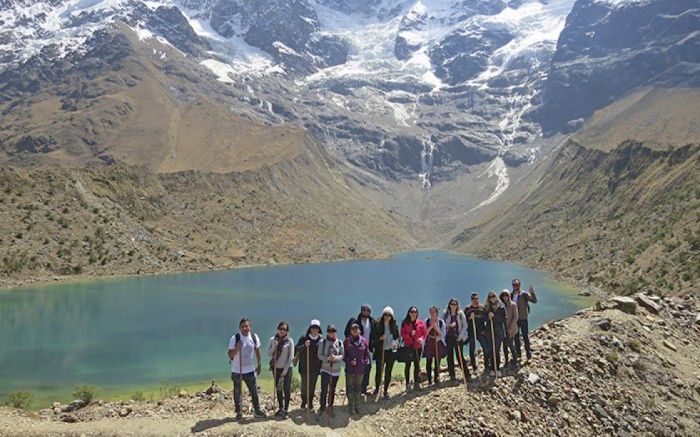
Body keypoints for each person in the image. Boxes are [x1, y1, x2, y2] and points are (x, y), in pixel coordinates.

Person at [228, 318, 265, 420]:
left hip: (250, 370)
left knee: (254, 391)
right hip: (237, 370)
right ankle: (239, 412)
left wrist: (259, 364)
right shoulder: (235, 338)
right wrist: (237, 348)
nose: (245, 328)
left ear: (250, 327)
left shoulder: (254, 337)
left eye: (247, 326)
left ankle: (257, 411)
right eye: (243, 326)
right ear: (240, 328)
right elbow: (230, 354)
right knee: (237, 392)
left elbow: (257, 350)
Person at [344, 304, 374, 397]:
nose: (366, 312)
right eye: (364, 310)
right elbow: (346, 333)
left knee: (367, 368)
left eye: (368, 310)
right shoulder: (355, 321)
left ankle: (363, 389)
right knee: (352, 369)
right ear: (361, 310)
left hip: (366, 348)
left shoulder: (372, 321)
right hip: (354, 348)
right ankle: (353, 391)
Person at [370, 306, 399, 399]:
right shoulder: (377, 324)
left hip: (390, 351)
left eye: (389, 315)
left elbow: (397, 337)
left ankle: (386, 390)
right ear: (383, 315)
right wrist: (380, 339)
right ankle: (377, 387)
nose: (387, 316)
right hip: (380, 350)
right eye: (385, 314)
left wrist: (395, 346)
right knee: (379, 371)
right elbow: (373, 339)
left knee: (388, 371)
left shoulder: (394, 325)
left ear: (392, 316)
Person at [294, 319, 323, 410]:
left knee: (312, 386)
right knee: (304, 386)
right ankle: (304, 402)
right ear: (310, 328)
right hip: (304, 367)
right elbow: (296, 349)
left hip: (315, 368)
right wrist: (304, 346)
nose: (314, 329)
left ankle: (310, 402)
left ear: (319, 329)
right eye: (313, 328)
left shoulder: (321, 339)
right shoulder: (304, 338)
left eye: (316, 328)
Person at [268, 321, 295, 417]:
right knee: (279, 389)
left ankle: (286, 409)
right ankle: (280, 407)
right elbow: (269, 354)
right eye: (281, 329)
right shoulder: (272, 339)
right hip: (276, 368)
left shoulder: (290, 340)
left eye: (285, 329)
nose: (282, 331)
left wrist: (285, 371)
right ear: (278, 329)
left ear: (287, 331)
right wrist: (274, 346)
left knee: (286, 389)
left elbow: (291, 357)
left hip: (287, 369)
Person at [344, 323, 370, 415]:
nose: (355, 330)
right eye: (353, 329)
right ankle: (351, 406)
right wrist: (349, 360)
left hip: (360, 369)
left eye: (357, 329)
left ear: (359, 330)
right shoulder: (347, 341)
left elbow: (367, 355)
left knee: (358, 388)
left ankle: (357, 406)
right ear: (350, 331)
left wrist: (365, 362)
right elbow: (344, 356)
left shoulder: (364, 341)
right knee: (350, 388)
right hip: (350, 369)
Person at [318, 324, 344, 417]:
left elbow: (342, 355)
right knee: (324, 389)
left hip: (336, 371)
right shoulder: (323, 342)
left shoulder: (340, 342)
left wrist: (335, 358)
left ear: (335, 332)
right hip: (325, 369)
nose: (331, 333)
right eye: (330, 331)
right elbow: (319, 355)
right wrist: (328, 359)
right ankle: (322, 407)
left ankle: (330, 406)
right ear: (327, 332)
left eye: (333, 331)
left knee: (332, 389)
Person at [400, 306, 426, 391]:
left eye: (415, 312)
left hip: (418, 346)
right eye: (411, 312)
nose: (413, 313)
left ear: (417, 313)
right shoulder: (405, 322)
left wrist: (421, 338)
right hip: (408, 346)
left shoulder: (421, 323)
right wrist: (410, 335)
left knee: (417, 365)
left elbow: (424, 333)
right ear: (409, 313)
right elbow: (402, 334)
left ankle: (416, 382)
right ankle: (407, 383)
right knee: (408, 364)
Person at [443, 297, 469, 381]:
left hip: (458, 337)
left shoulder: (460, 313)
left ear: (457, 305)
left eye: (455, 304)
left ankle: (466, 374)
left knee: (459, 356)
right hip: (449, 337)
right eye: (452, 304)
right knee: (449, 356)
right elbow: (443, 326)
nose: (453, 306)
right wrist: (449, 326)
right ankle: (452, 375)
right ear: (449, 305)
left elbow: (465, 325)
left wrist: (460, 336)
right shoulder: (446, 314)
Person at [511, 279, 538, 360]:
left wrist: (532, 292)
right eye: (514, 285)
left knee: (525, 336)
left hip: (523, 318)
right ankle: (518, 354)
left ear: (520, 285)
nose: (515, 286)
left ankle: (528, 354)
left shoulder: (524, 294)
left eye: (517, 285)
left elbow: (534, 301)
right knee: (516, 337)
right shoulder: (510, 295)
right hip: (515, 319)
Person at [482, 290, 506, 376]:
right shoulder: (487, 307)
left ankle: (498, 368)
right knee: (492, 350)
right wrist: (488, 316)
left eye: (493, 296)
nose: (492, 298)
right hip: (489, 332)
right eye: (490, 297)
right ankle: (492, 368)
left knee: (497, 350)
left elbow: (503, 319)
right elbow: (484, 319)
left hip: (498, 332)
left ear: (496, 296)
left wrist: (494, 316)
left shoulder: (501, 306)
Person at [423, 306, 446, 386]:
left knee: (437, 361)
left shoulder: (441, 322)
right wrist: (431, 326)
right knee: (428, 361)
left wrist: (435, 327)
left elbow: (443, 334)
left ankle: (436, 379)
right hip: (430, 342)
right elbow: (424, 333)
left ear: (437, 312)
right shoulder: (426, 321)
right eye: (431, 312)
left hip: (438, 342)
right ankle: (429, 380)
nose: (432, 313)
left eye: (434, 312)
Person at [465, 293, 485, 372]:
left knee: (485, 347)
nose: (475, 300)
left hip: (480, 332)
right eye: (473, 299)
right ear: (471, 300)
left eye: (476, 298)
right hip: (471, 331)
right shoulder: (468, 308)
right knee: (472, 349)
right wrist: (470, 317)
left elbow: (485, 318)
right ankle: (474, 367)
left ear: (478, 299)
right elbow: (464, 320)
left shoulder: (482, 307)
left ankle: (486, 365)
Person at [500, 290, 519, 367]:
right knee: (504, 345)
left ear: (509, 296)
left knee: (510, 344)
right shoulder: (500, 305)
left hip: (511, 328)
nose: (505, 297)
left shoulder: (513, 305)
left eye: (506, 295)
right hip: (503, 329)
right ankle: (506, 361)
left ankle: (515, 359)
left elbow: (516, 317)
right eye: (503, 295)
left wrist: (511, 329)